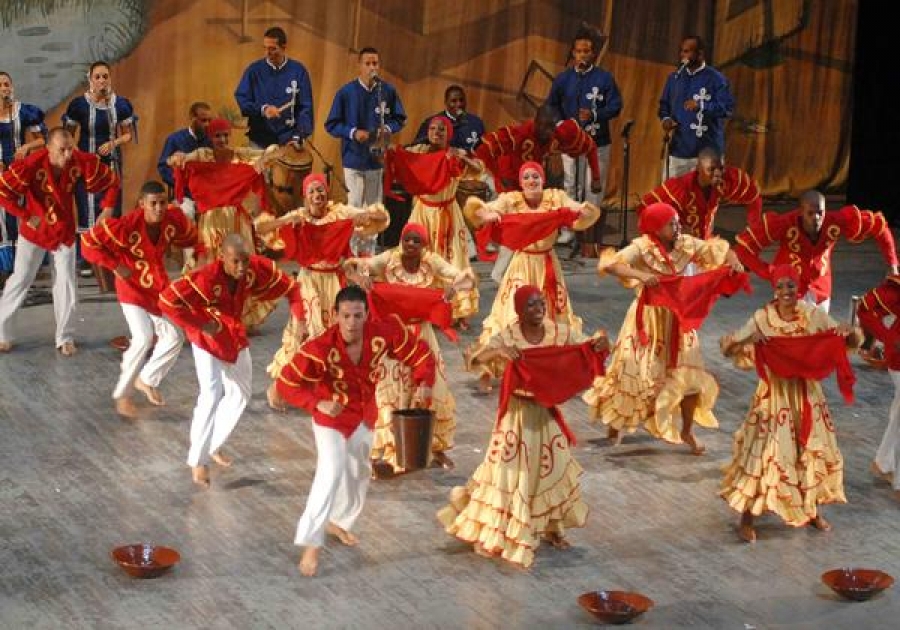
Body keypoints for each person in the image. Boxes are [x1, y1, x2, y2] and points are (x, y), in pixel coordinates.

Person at [437, 286, 608, 568]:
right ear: (519, 310)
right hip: (516, 416)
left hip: (544, 414)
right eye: (531, 305)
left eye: (542, 303)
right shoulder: (509, 336)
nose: (539, 309)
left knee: (552, 469)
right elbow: (473, 359)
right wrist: (499, 351)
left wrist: (600, 343)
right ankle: (507, 531)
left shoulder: (557, 332)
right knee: (512, 475)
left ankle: (553, 528)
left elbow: (587, 346)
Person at [276, 284, 435, 577]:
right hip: (331, 420)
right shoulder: (319, 348)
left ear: (366, 315)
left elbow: (420, 353)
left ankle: (339, 521)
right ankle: (311, 543)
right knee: (332, 471)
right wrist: (317, 403)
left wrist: (424, 380)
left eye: (358, 316)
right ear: (335, 315)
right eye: (346, 316)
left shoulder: (382, 332)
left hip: (364, 414)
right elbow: (285, 384)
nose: (352, 323)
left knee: (358, 472)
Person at [582, 202, 744, 452]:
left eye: (677, 221)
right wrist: (642, 276)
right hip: (647, 321)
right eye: (671, 223)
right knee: (631, 372)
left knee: (689, 376)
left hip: (679, 319)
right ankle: (615, 424)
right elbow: (610, 264)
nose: (678, 226)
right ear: (656, 228)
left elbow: (720, 251)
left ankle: (687, 431)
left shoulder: (686, 243)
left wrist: (733, 262)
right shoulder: (642, 248)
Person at [719, 265, 860, 542]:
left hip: (807, 394)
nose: (786, 292)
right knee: (765, 452)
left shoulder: (812, 315)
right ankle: (747, 516)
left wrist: (849, 332)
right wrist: (750, 339)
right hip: (774, 397)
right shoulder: (762, 318)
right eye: (781, 286)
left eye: (792, 286)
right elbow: (728, 348)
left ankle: (812, 509)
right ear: (774, 290)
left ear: (799, 289)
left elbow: (848, 341)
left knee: (810, 450)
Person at [159, 234, 306, 488]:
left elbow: (292, 289)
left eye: (245, 261)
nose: (241, 268)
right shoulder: (205, 278)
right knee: (211, 393)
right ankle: (198, 461)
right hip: (205, 337)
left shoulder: (254, 269)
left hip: (232, 334)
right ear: (222, 257)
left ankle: (212, 444)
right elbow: (166, 301)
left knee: (240, 393)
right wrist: (202, 324)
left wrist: (300, 319)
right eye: (236, 262)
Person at [344, 222, 476, 473]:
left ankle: (434, 448)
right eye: (407, 240)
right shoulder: (390, 258)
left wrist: (456, 285)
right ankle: (384, 450)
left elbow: (457, 274)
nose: (411, 245)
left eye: (416, 241)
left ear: (424, 245)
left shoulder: (431, 261)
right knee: (390, 390)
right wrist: (360, 273)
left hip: (423, 334)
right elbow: (365, 265)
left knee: (432, 387)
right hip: (394, 333)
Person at [464, 161, 600, 390]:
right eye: (526, 177)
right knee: (508, 315)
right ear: (520, 182)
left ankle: (548, 368)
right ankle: (489, 368)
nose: (531, 181)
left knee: (553, 316)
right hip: (522, 264)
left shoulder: (555, 197)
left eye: (535, 176)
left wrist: (582, 210)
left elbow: (575, 208)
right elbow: (482, 209)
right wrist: (489, 215)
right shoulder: (511, 199)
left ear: (542, 179)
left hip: (548, 263)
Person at [262, 173, 390, 409]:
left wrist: (366, 214)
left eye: (320, 190)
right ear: (305, 195)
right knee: (305, 332)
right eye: (311, 191)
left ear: (327, 192)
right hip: (309, 281)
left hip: (335, 280)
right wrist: (285, 223)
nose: (317, 194)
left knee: (336, 334)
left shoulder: (340, 212)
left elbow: (382, 218)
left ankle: (329, 388)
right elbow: (263, 228)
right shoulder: (299, 215)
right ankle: (283, 386)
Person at [80, 181, 197, 418]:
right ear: (142, 204)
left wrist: (199, 254)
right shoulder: (125, 226)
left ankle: (145, 379)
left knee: (175, 335)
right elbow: (87, 244)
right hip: (131, 289)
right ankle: (122, 394)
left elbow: (191, 237)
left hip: (156, 288)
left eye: (163, 202)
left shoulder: (172, 219)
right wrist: (115, 266)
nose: (159, 208)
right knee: (143, 337)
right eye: (153, 203)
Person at [0, 127, 118, 355]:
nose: (67, 155)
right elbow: (3, 190)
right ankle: (3, 334)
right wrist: (25, 215)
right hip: (33, 232)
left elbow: (112, 180)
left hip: (63, 230)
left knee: (66, 281)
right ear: (48, 148)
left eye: (70, 149)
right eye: (61, 150)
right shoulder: (31, 163)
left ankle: (65, 337)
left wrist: (108, 208)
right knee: (21, 279)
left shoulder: (80, 159)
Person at [734, 189, 898, 313]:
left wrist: (893, 265)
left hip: (821, 289)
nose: (817, 218)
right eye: (810, 213)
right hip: (789, 288)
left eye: (820, 213)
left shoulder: (836, 221)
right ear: (801, 212)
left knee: (817, 340)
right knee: (789, 338)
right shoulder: (784, 223)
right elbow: (743, 249)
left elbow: (879, 226)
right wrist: (771, 273)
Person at [385, 115, 481, 323]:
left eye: (441, 130)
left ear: (449, 134)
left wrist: (462, 158)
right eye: (432, 129)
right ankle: (421, 305)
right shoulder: (419, 151)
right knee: (418, 258)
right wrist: (386, 142)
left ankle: (458, 311)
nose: (436, 133)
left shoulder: (454, 154)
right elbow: (399, 155)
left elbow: (478, 171)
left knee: (453, 260)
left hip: (447, 214)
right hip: (422, 213)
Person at [325, 47, 406, 254]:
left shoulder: (386, 91)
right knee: (355, 205)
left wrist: (386, 129)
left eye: (375, 63)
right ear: (359, 66)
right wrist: (352, 132)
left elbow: (399, 118)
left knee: (374, 207)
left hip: (376, 159)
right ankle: (353, 251)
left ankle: (369, 253)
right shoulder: (346, 92)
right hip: (353, 158)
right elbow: (331, 124)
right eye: (368, 63)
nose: (372, 67)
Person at [547, 26, 622, 245]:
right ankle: (570, 228)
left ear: (593, 53)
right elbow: (551, 106)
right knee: (571, 184)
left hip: (597, 142)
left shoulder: (605, 78)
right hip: (571, 144)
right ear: (573, 53)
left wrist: (596, 114)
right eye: (579, 51)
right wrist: (562, 125)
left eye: (587, 51)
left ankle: (589, 233)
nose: (582, 55)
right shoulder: (563, 79)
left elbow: (616, 105)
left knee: (593, 187)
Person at [63, 61, 134, 231]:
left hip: (111, 162)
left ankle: (109, 248)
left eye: (105, 76)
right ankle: (87, 252)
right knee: (86, 204)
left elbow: (127, 134)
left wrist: (114, 143)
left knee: (111, 203)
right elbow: (68, 136)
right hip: (85, 163)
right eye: (97, 77)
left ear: (110, 79)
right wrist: (82, 158)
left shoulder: (120, 104)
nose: (102, 80)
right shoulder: (79, 105)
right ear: (91, 80)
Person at [637, 147, 761, 239]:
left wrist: (752, 231)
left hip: (704, 244)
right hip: (680, 245)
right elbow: (646, 207)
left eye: (720, 168)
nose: (717, 174)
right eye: (711, 170)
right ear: (698, 169)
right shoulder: (679, 187)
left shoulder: (726, 179)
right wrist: (674, 228)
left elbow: (754, 195)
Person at [658, 35, 734, 180]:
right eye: (682, 51)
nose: (682, 55)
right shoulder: (674, 78)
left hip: (709, 150)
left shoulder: (717, 79)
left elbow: (727, 108)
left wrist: (702, 105)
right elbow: (664, 106)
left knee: (707, 198)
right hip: (680, 150)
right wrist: (666, 119)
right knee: (672, 196)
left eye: (687, 52)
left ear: (700, 54)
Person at [856, 275, 900, 501]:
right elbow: (863, 309)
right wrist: (888, 337)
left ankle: (883, 463)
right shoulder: (894, 289)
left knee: (899, 411)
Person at [234, 26, 313, 149]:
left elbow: (305, 108)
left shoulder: (298, 71)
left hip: (289, 140)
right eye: (265, 48)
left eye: (272, 49)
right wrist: (263, 109)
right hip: (259, 140)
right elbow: (242, 98)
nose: (267, 53)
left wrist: (298, 136)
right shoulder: (254, 70)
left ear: (284, 47)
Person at [156, 102, 212, 269]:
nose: (207, 124)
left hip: (206, 194)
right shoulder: (175, 140)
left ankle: (212, 264)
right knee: (186, 213)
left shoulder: (211, 140)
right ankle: (190, 265)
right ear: (192, 118)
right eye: (203, 120)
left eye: (209, 120)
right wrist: (180, 181)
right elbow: (162, 166)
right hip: (184, 194)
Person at [412, 85, 485, 153]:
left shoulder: (476, 122)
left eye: (461, 100)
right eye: (454, 101)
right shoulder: (432, 123)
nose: (459, 104)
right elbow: (417, 148)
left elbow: (483, 150)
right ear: (446, 102)